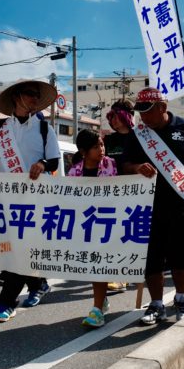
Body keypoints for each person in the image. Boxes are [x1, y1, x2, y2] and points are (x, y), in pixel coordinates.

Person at [122, 88, 184, 324]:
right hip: (147, 205)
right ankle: (157, 304)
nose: (144, 117)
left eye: (148, 111)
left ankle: (181, 298)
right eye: (140, 112)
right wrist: (137, 168)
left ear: (163, 107)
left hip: (180, 203)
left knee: (182, 252)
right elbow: (125, 165)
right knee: (152, 256)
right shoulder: (137, 134)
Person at [0, 79, 60, 323]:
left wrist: (42, 164)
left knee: (21, 248)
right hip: (7, 198)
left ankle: (5, 303)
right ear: (17, 97)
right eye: (30, 94)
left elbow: (55, 161)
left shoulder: (44, 128)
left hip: (34, 199)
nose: (35, 99)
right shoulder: (2, 128)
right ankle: (38, 284)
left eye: (37, 95)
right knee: (13, 249)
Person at [68, 129, 117, 328]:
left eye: (102, 145)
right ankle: (102, 300)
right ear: (83, 151)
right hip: (85, 227)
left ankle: (97, 310)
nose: (102, 149)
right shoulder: (74, 172)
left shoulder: (112, 165)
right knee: (92, 266)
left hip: (107, 224)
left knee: (99, 266)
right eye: (96, 146)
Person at [103, 99, 135, 293]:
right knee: (113, 235)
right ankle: (116, 274)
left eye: (115, 116)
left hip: (135, 194)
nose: (112, 120)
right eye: (110, 117)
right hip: (112, 194)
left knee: (128, 235)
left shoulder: (140, 137)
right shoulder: (108, 141)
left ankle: (125, 274)